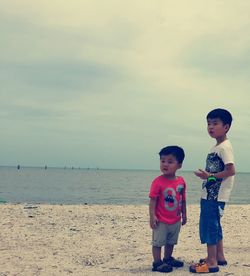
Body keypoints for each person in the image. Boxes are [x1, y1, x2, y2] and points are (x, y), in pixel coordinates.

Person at [190, 108, 236, 274]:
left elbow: (231, 170)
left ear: (226, 127)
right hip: (211, 194)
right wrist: (207, 177)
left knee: (209, 225)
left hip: (215, 196)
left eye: (215, 123)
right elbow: (218, 174)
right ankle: (219, 256)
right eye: (208, 123)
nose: (210, 127)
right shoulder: (216, 146)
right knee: (215, 226)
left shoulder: (224, 147)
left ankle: (211, 262)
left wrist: (209, 175)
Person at [149, 145, 187, 273]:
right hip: (161, 219)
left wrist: (184, 214)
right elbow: (153, 200)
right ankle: (157, 262)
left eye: (170, 162)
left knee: (171, 241)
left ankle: (167, 258)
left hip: (175, 219)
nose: (165, 164)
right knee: (158, 242)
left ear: (179, 165)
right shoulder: (157, 182)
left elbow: (183, 199)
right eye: (163, 161)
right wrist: (152, 216)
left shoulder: (181, 181)